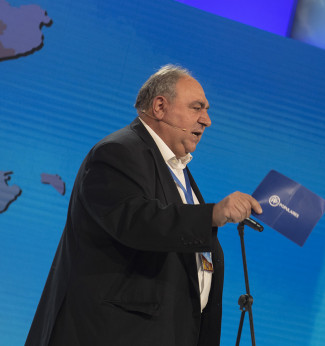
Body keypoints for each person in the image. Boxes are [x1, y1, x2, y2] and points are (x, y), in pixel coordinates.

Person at [25, 64, 261, 346]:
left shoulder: (177, 170)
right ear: (160, 106)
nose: (206, 120)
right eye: (197, 108)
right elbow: (138, 221)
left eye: (206, 110)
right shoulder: (117, 152)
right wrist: (212, 214)